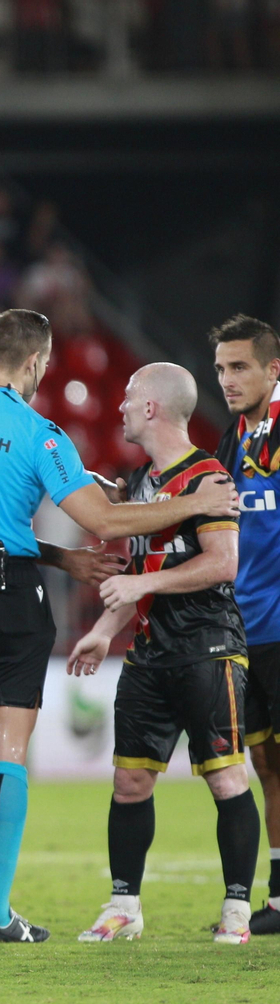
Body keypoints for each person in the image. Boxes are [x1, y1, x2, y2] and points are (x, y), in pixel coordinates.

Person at [0, 308, 239, 944]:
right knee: (5, 749)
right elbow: (104, 521)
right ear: (34, 364)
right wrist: (197, 502)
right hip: (7, 594)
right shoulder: (40, 434)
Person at [68, 363, 259, 945]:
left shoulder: (209, 476)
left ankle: (237, 910)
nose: (120, 407)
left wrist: (141, 587)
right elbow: (142, 572)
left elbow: (221, 564)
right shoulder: (142, 485)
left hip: (209, 646)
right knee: (130, 783)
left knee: (226, 779)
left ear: (151, 408)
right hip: (152, 652)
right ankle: (124, 904)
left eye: (128, 398)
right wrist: (105, 627)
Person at [213, 314, 280, 935]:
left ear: (272, 369)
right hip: (245, 628)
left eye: (240, 367)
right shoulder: (235, 438)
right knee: (266, 766)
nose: (228, 380)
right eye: (221, 369)